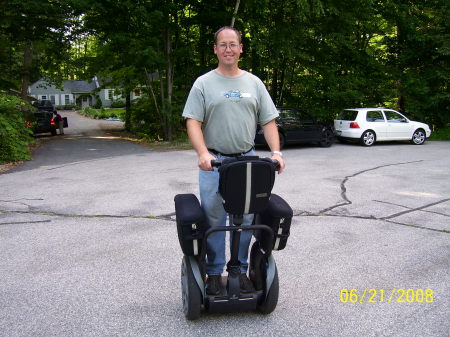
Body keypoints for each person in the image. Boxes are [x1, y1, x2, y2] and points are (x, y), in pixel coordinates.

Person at [182, 26, 285, 295]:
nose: (228, 49)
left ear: (241, 49)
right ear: (215, 49)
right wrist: (203, 153)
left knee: (247, 217)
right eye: (222, 44)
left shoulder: (254, 83)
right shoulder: (203, 83)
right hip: (215, 162)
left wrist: (276, 152)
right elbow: (193, 122)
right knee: (214, 219)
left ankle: (239, 269)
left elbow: (269, 122)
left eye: (233, 44)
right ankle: (214, 272)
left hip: (248, 161)